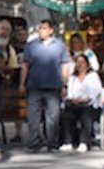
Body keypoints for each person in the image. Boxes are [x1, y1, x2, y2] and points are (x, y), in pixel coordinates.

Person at [20, 19, 70, 152]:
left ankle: (52, 143)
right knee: (33, 116)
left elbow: (65, 65)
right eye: (40, 28)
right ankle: (33, 142)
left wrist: (65, 84)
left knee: (52, 117)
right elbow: (25, 65)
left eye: (44, 28)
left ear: (51, 30)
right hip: (34, 85)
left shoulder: (60, 45)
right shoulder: (31, 46)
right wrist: (22, 83)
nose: (41, 31)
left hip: (53, 86)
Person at [60, 54, 103, 152]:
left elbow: (96, 91)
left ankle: (84, 142)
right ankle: (67, 142)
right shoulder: (72, 77)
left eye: (82, 62)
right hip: (75, 103)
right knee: (67, 115)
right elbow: (70, 93)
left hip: (90, 104)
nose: (80, 64)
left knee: (86, 115)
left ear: (87, 64)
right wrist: (72, 99)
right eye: (78, 62)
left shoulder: (93, 76)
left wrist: (86, 99)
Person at [0, 17, 19, 153]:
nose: (4, 32)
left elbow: (13, 67)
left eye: (8, 30)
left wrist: (7, 73)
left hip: (0, 84)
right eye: (2, 29)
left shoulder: (9, 49)